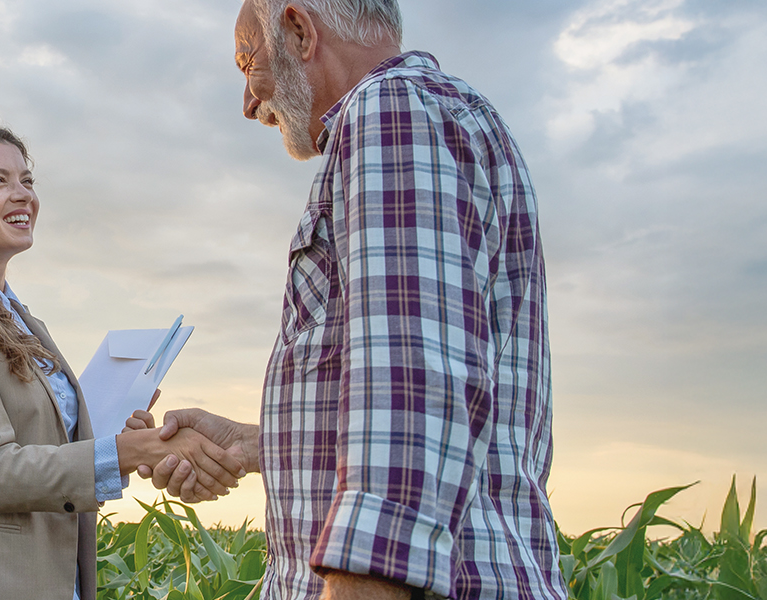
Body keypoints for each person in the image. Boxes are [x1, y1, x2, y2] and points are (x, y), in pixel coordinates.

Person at [127, 1, 566, 598]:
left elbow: (411, 384)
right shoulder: (447, 115)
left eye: (248, 63)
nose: (249, 102)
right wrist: (255, 444)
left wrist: (363, 580)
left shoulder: (391, 111)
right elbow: (439, 385)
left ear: (299, 31)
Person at [0, 121, 247, 600]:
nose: (23, 194)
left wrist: (120, 438)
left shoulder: (26, 322)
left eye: (27, 180)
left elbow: (48, 459)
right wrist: (133, 451)